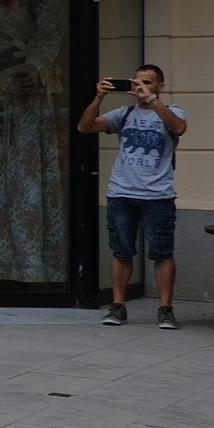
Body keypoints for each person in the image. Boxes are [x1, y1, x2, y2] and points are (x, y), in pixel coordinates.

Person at [81, 65, 189, 330]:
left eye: (147, 82)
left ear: (159, 87)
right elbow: (85, 127)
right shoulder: (124, 113)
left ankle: (165, 309)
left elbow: (179, 127)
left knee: (162, 253)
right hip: (121, 193)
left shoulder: (172, 111)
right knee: (121, 251)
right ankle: (118, 306)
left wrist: (151, 101)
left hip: (158, 195)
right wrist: (98, 98)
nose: (139, 86)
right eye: (136, 82)